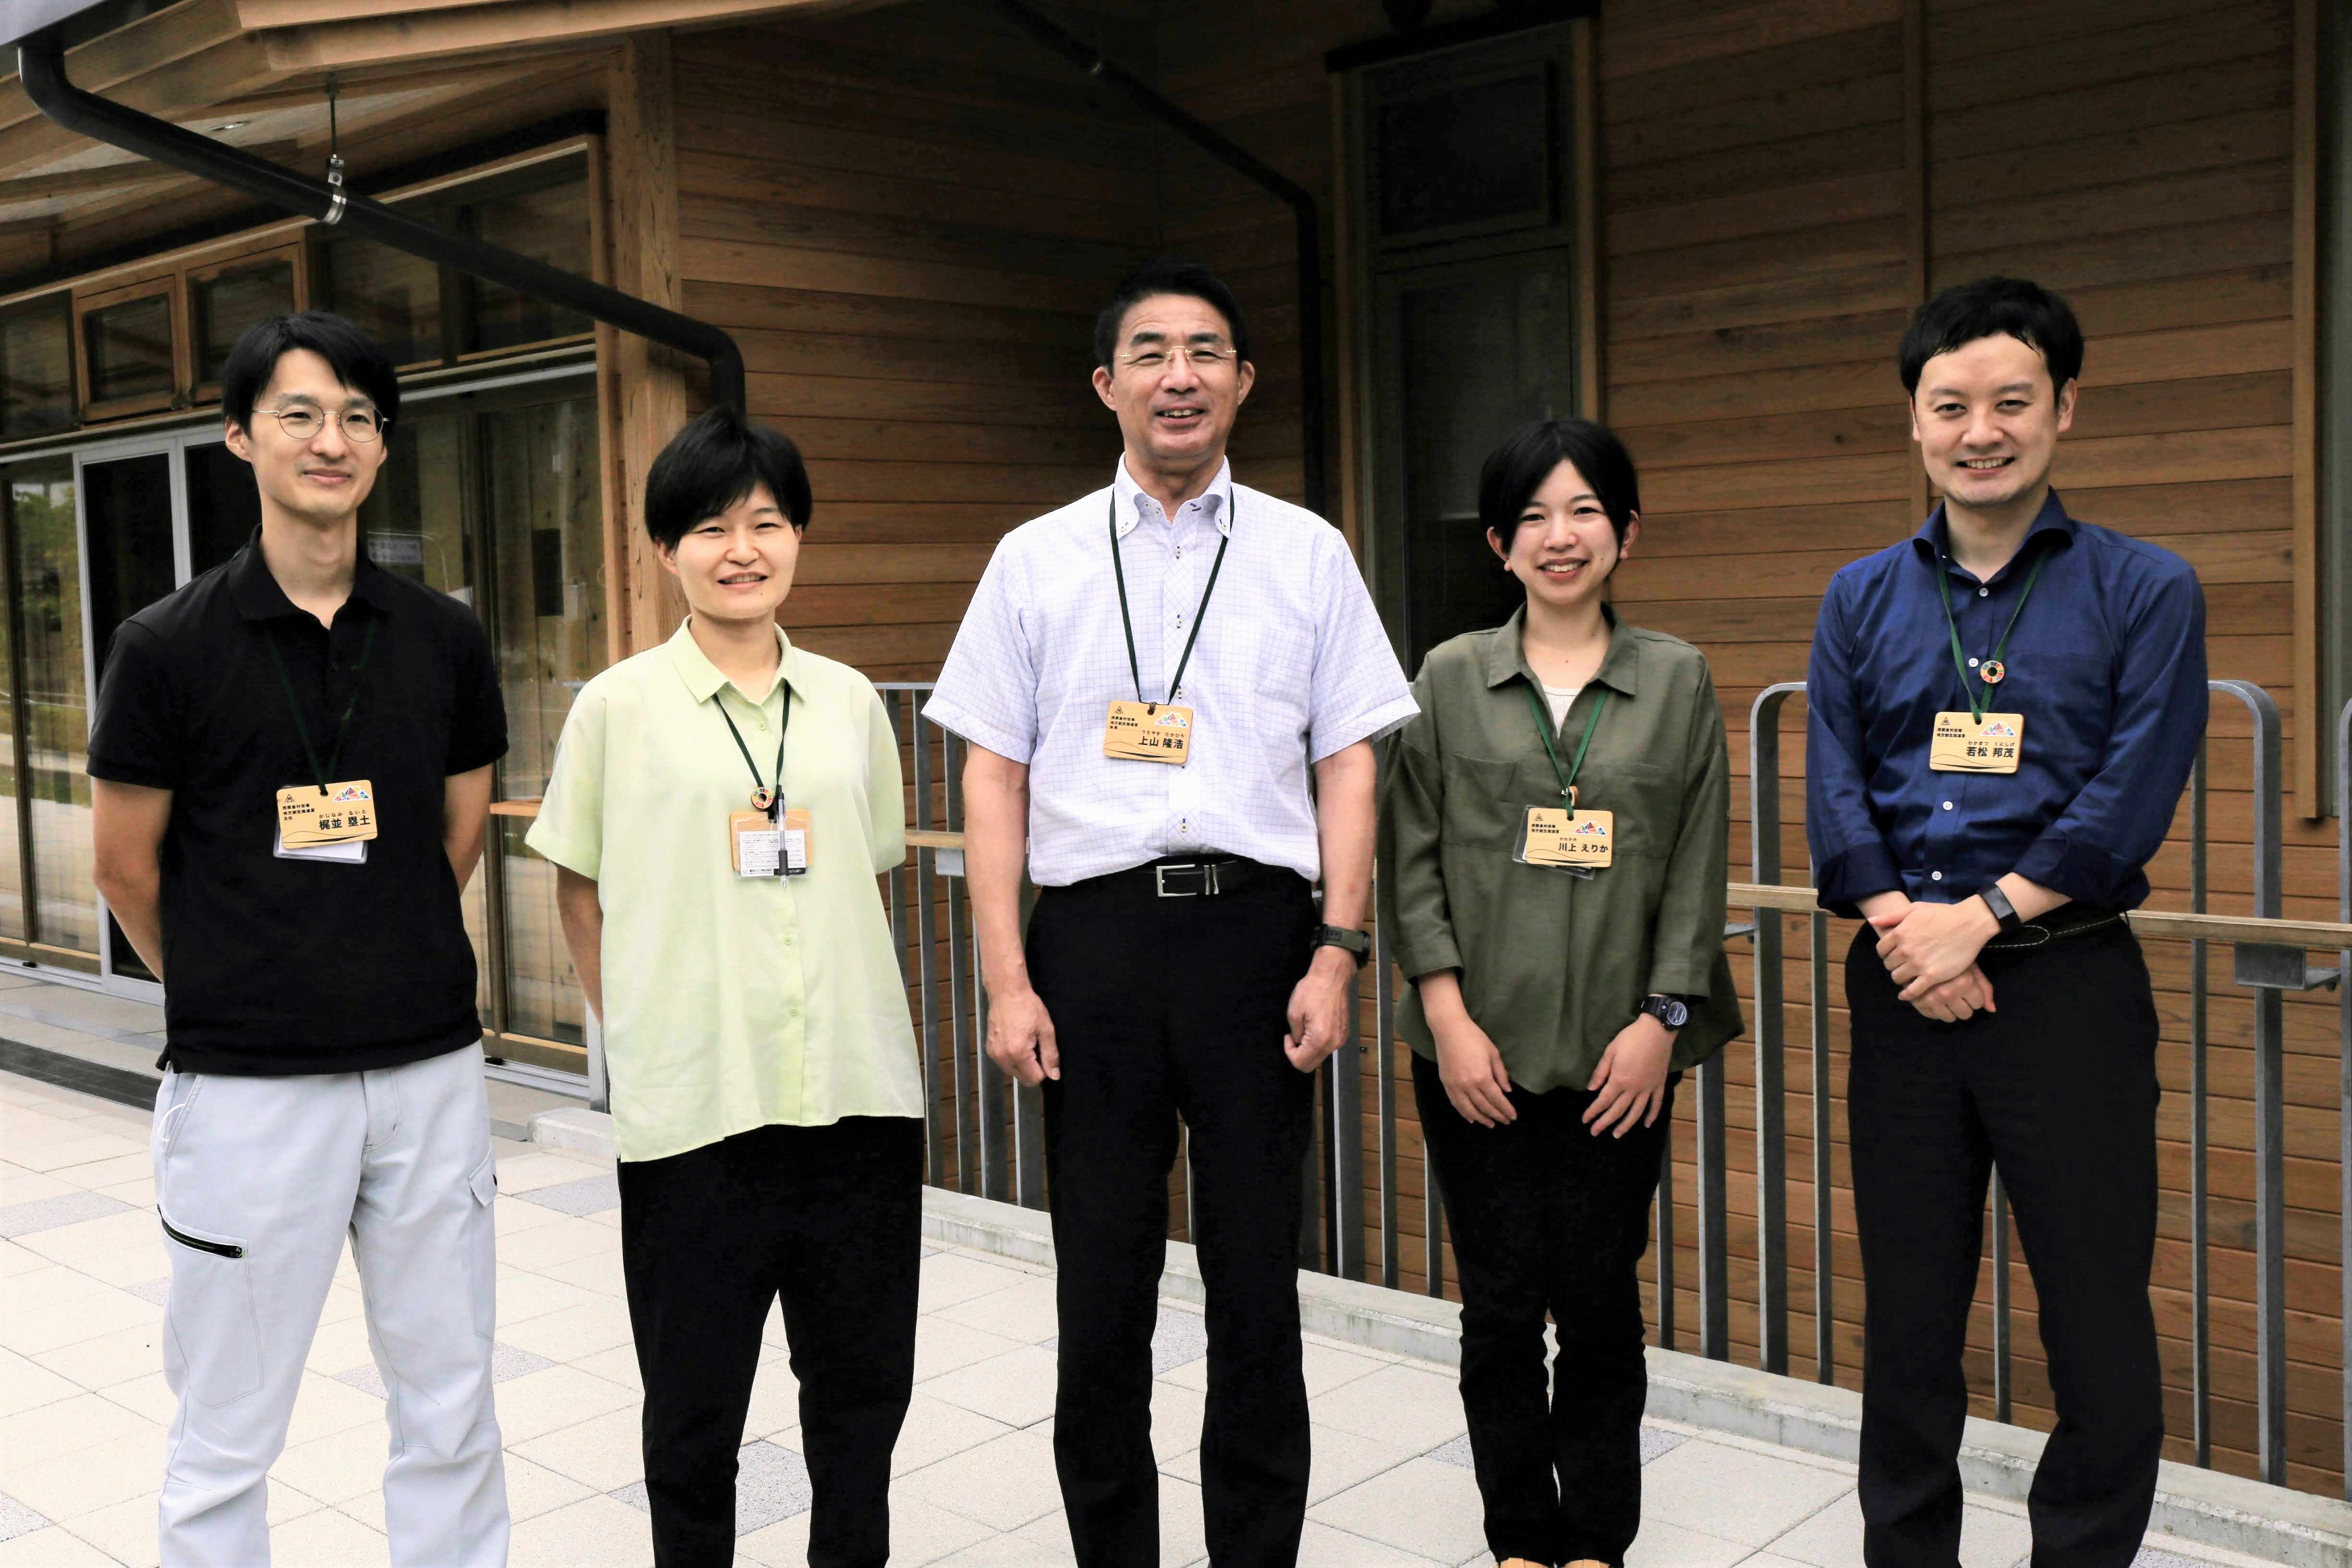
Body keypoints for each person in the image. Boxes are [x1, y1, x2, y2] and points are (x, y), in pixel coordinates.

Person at [924, 256, 1416, 1567]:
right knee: (1102, 1294)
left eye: (1205, 351)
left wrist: (1339, 947)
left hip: (1259, 939)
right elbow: (990, 769)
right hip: (1089, 948)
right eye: (1150, 352)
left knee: (1257, 1290)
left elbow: (1350, 760)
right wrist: (1006, 978)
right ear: (1107, 385)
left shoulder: (1308, 554)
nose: (1179, 374)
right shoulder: (1033, 561)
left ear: (1243, 383)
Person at [87, 312, 509, 1568]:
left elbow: (458, 829)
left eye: (360, 417)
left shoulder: (445, 638)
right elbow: (122, 868)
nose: (334, 439)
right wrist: (244, 982)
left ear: (383, 449)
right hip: (250, 1091)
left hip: (428, 1076)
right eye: (302, 412)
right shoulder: (165, 647)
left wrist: (370, 952)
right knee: (227, 1428)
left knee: (449, 1402)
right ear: (238, 435)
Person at [1805, 276, 2204, 1566]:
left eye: (2011, 401)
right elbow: (1832, 779)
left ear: (2063, 410)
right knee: (1910, 1317)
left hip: (2066, 985)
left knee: (2093, 1317)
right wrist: (1909, 935)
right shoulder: (1860, 595)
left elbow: (2132, 786)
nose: (1981, 429)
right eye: (1950, 405)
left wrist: (1979, 918)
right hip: (1904, 985)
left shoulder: (2146, 588)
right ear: (1914, 423)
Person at [530, 404, 921, 1568]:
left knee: (859, 1407)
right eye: (708, 528)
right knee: (693, 1416)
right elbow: (578, 891)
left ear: (799, 534)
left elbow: (871, 871)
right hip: (697, 1115)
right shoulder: (616, 707)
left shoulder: (852, 701)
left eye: (765, 521)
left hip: (856, 1104)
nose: (740, 548)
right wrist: (642, 1034)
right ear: (665, 551)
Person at [1377, 417, 1740, 1568]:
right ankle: (1517, 1539)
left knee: (1595, 1301)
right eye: (1532, 514)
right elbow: (1412, 852)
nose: (1559, 534)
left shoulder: (1676, 678)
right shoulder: (1447, 676)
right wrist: (1443, 1014)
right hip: (1471, 1051)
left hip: (1616, 1057)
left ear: (1625, 532)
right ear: (1497, 542)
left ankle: (1594, 1538)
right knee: (1496, 1305)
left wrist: (1661, 1022)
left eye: (1584, 510)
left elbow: (1696, 861)